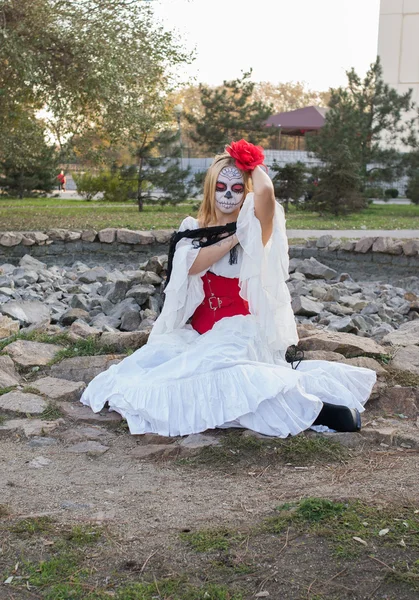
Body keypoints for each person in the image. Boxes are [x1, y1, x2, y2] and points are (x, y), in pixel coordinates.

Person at [80, 140, 376, 437]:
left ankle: (318, 411)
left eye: (236, 189)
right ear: (211, 188)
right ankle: (304, 409)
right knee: (152, 372)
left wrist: (250, 164)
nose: (227, 195)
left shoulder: (258, 228)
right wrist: (234, 236)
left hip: (240, 331)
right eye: (221, 186)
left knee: (230, 372)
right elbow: (192, 265)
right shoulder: (193, 229)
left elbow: (265, 192)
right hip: (197, 335)